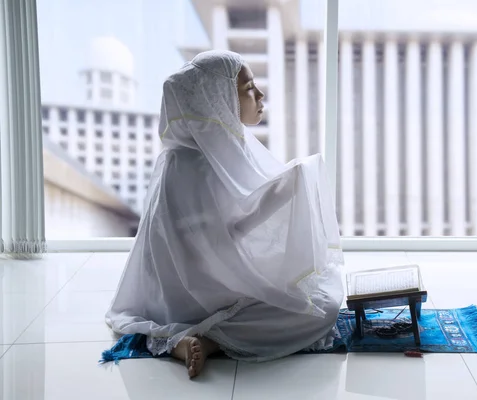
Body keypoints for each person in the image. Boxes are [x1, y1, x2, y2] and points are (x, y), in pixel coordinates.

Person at [105, 50, 344, 378]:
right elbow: (222, 241)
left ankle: (187, 341)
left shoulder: (194, 153)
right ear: (217, 99)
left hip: (190, 287)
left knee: (314, 291)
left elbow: (221, 232)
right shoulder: (195, 163)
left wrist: (283, 191)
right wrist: (282, 194)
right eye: (248, 89)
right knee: (322, 306)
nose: (259, 95)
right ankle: (208, 338)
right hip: (201, 292)